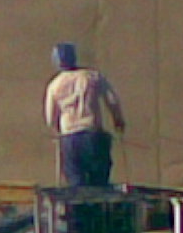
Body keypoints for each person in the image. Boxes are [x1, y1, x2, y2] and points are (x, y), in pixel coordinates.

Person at [44, 42, 126, 187]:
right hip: (93, 134)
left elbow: (51, 118)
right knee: (99, 182)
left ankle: (81, 209)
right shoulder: (92, 77)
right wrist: (118, 121)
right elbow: (112, 100)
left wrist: (57, 131)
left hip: (69, 138)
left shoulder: (54, 85)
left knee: (76, 184)